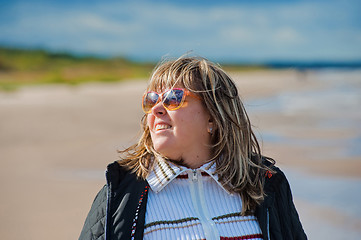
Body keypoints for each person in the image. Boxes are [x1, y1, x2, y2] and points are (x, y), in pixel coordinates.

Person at [79, 56, 307, 240]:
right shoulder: (120, 196)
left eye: (173, 98)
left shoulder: (264, 185)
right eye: (151, 100)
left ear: (214, 118)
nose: (157, 109)